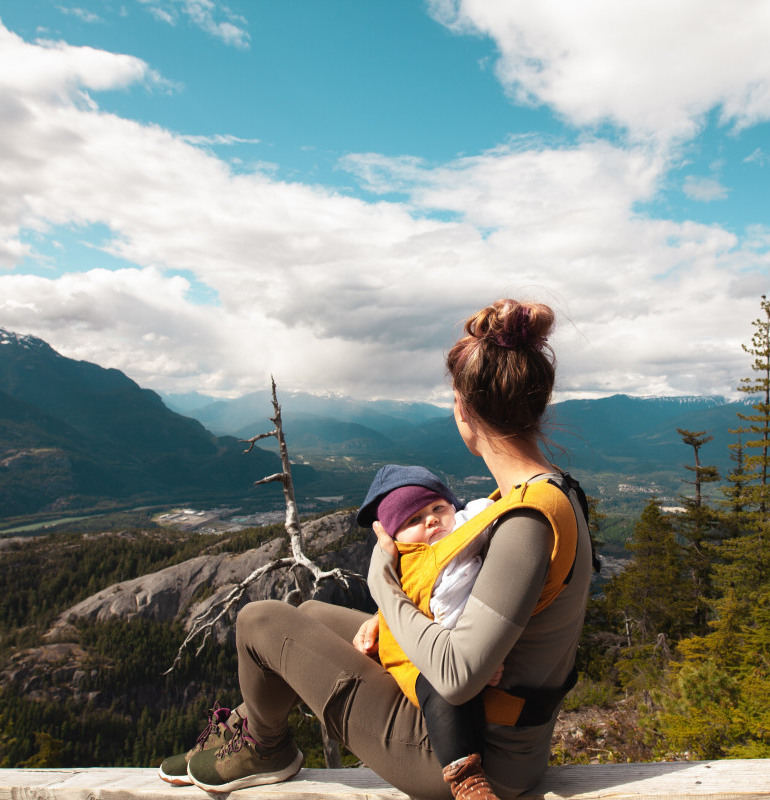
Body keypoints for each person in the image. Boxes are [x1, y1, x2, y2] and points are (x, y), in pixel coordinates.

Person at [159, 298, 594, 800]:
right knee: (312, 616)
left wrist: (383, 584)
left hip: (470, 754)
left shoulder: (526, 523)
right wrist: (390, 621)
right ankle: (247, 731)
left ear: (463, 409)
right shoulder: (547, 493)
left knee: (259, 621)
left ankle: (265, 745)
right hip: (496, 731)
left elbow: (456, 676)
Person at [352, 465, 500, 799]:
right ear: (395, 538)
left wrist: (488, 656)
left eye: (438, 508)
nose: (431, 520)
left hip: (472, 643)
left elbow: (491, 510)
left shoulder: (468, 528)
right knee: (442, 692)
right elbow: (407, 604)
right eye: (414, 519)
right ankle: (466, 779)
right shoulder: (408, 563)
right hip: (419, 657)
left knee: (461, 689)